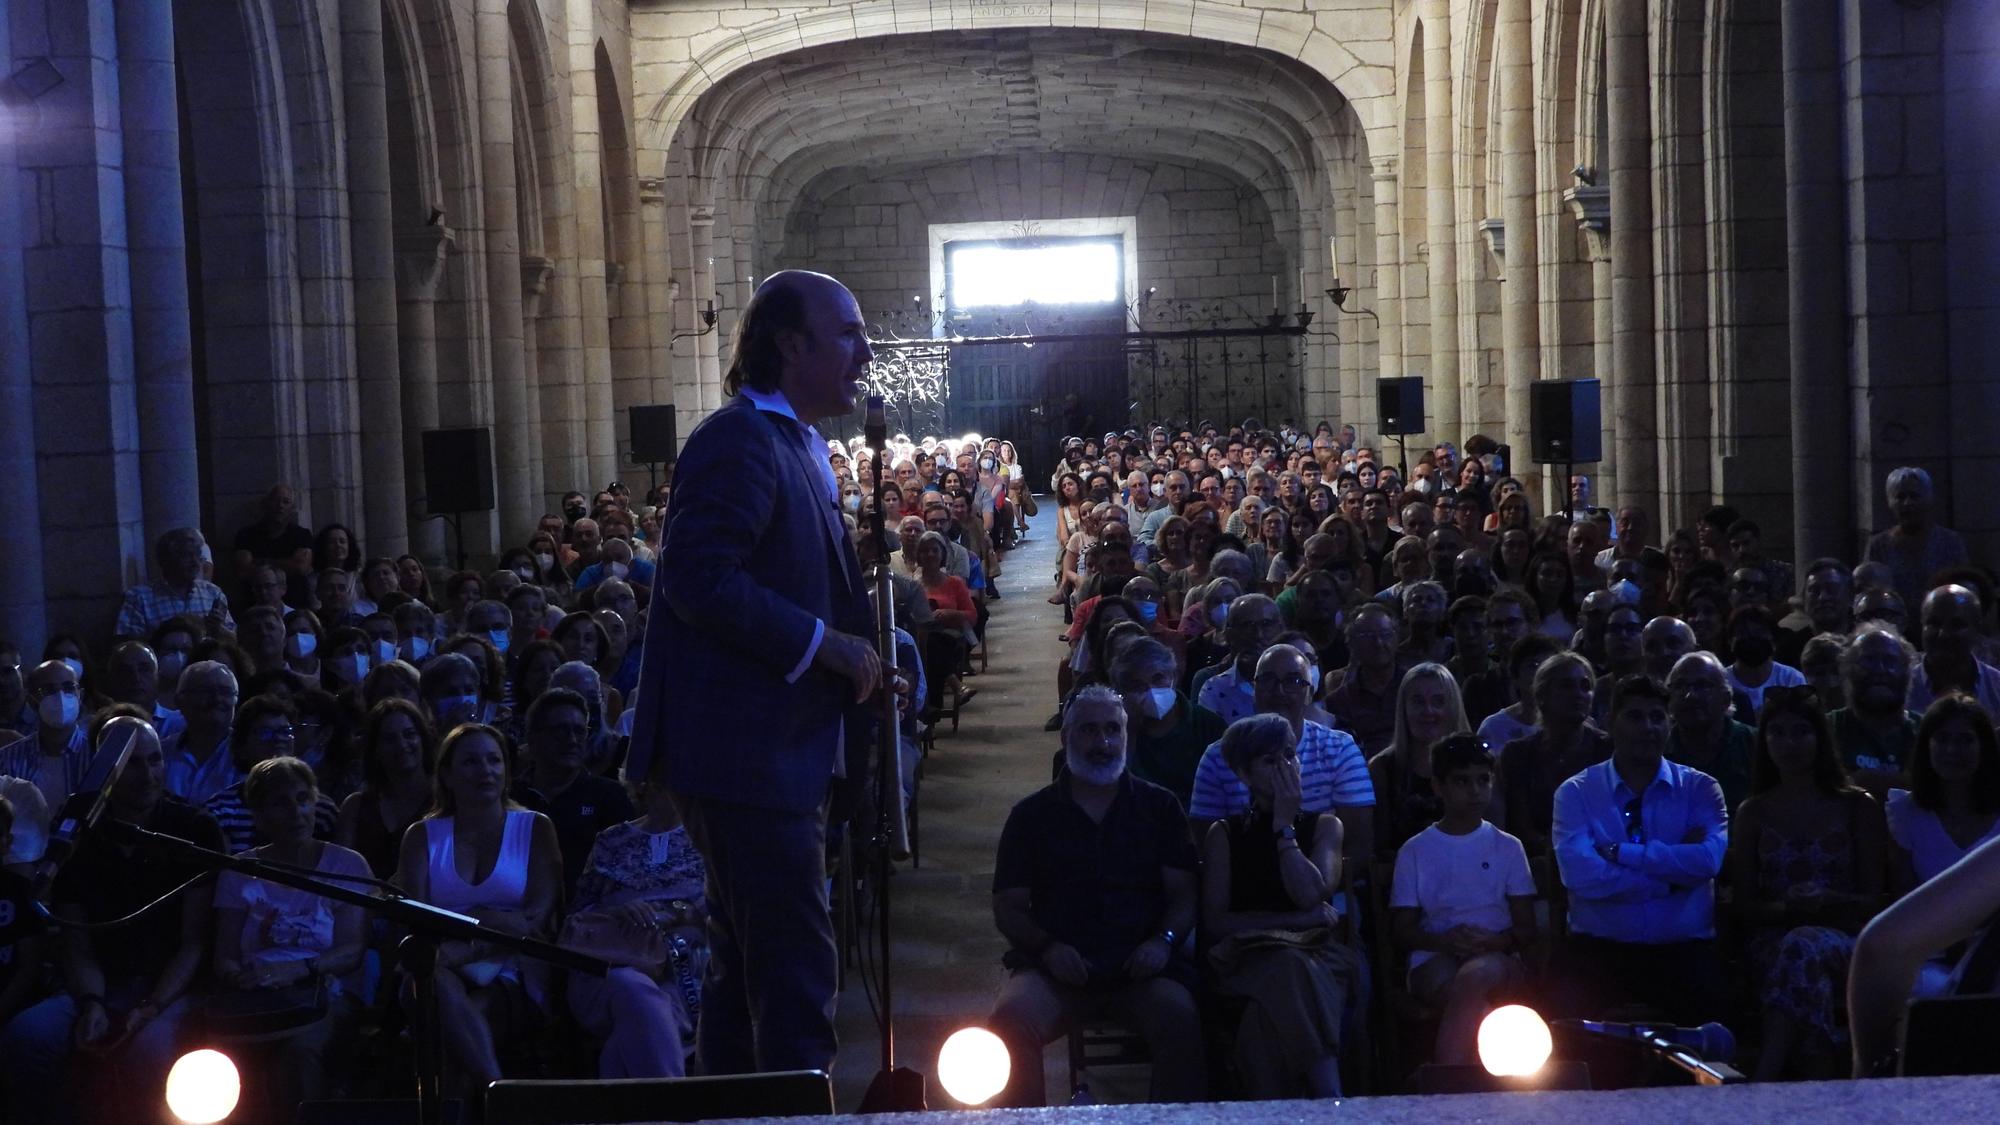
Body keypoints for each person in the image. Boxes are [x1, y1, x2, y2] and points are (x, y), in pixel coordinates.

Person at [625, 271, 879, 1077]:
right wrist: (825, 646)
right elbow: (700, 577)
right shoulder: (737, 439)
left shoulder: (797, 442)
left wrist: (857, 664)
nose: (865, 352)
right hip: (748, 759)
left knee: (742, 981)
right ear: (790, 343)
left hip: (777, 750)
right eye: (847, 333)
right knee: (798, 981)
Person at [985, 687, 1205, 1107]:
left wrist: (1164, 942)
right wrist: (1047, 947)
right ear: (1065, 737)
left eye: (1112, 730)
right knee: (1010, 1021)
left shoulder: (1160, 808)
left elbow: (1184, 894)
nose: (1102, 743)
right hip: (1055, 971)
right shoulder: (1031, 816)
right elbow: (1008, 906)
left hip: (1141, 970)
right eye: (1088, 730)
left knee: (1181, 1019)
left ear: (1128, 738)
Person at [0, 717, 225, 1123]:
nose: (148, 774)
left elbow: (195, 942)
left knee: (149, 1052)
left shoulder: (193, 828)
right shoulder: (78, 834)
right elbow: (77, 943)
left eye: (155, 760)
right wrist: (91, 1004)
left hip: (171, 988)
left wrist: (152, 1006)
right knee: (27, 1036)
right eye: (133, 764)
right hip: (99, 984)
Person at [1728, 687, 1888, 1079]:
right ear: (1764, 741)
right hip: (1774, 942)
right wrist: (1786, 909)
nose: (1789, 743)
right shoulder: (1753, 813)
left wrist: (1830, 900)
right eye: (1777, 733)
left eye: (1801, 731)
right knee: (1797, 950)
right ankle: (1822, 1075)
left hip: (1846, 939)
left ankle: (1767, 1073)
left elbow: (1879, 898)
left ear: (1820, 738)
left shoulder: (1856, 805)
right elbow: (1744, 905)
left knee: (1803, 946)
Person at [1551, 675, 1730, 1025]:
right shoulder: (1575, 793)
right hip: (1599, 950)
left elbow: (1707, 861)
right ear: (1608, 722)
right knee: (1562, 1025)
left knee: (1715, 1026)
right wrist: (1671, 877)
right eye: (1634, 716)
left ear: (1669, 723)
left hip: (1683, 951)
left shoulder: (1701, 789)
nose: (1647, 727)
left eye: (1657, 716)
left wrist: (1622, 853)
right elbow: (1581, 875)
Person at [394, 723, 562, 1092]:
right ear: (448, 776)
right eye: (471, 762)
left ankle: (486, 1101)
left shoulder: (535, 828)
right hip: (438, 965)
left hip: (513, 967)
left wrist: (472, 937)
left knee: (454, 1025)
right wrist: (492, 922)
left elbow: (535, 921)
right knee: (434, 989)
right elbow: (415, 921)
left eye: (494, 761)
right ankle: (503, 1097)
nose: (485, 771)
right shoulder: (421, 836)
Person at [1199, 713, 1358, 1098]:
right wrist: (1296, 920)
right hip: (1248, 957)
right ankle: (1330, 1099)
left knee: (1264, 1016)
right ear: (1244, 774)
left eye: (1290, 755)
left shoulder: (1324, 827)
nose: (1286, 768)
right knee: (1288, 967)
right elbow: (1217, 922)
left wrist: (1284, 829)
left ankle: (1270, 1110)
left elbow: (1312, 892)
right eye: (1271, 761)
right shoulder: (1225, 835)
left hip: (1319, 954)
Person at [210, 756, 371, 1110]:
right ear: (260, 814)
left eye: (302, 799)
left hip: (325, 992)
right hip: (257, 995)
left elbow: (352, 950)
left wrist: (300, 970)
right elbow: (224, 954)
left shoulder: (348, 865)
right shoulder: (239, 871)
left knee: (300, 1053)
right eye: (281, 803)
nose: (296, 812)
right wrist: (240, 976)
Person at [1390, 733, 1538, 1067]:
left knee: (1472, 978)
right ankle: (1480, 1081)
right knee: (1471, 1001)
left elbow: (1526, 927)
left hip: (1497, 957)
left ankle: (1446, 1081)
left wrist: (1493, 941)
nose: (1474, 791)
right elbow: (1402, 929)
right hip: (1434, 957)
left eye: (1482, 780)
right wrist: (1444, 941)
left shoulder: (1508, 847)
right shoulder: (1415, 850)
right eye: (1462, 782)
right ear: (1438, 786)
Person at [565, 768, 708, 1079]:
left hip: (682, 968)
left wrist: (674, 911)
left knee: (639, 1023)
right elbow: (579, 913)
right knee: (633, 989)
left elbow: (720, 911)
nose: (665, 787)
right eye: (656, 778)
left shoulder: (706, 837)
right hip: (613, 962)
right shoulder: (611, 840)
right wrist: (620, 910)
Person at [1188, 645, 1376, 855]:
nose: (1279, 692)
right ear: (1254, 689)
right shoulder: (1218, 756)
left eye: (1293, 681)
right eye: (1267, 680)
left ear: (1309, 694)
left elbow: (1358, 844)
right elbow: (1206, 846)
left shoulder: (1340, 748)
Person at [516, 689, 633, 899]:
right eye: (560, 731)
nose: (571, 740)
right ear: (533, 739)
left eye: (579, 731)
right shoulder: (511, 797)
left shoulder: (609, 796)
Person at [1498, 651, 1611, 856]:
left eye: (1585, 686)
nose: (1578, 693)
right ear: (1542, 696)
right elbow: (1520, 826)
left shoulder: (1608, 750)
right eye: (1567, 686)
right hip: (1537, 863)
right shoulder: (1518, 755)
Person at [1887, 694, 2000, 893]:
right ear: (1926, 746)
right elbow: (1902, 899)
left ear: (1984, 747)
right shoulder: (1904, 814)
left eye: (1966, 740)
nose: (1952, 750)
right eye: (1942, 738)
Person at [1367, 662, 1472, 857]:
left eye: (1438, 701)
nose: (1428, 711)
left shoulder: (1476, 764)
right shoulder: (1382, 768)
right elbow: (1379, 848)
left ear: (1453, 707)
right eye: (1418, 702)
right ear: (1403, 708)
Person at [1110, 638, 1225, 808]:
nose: (1150, 691)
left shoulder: (1207, 725)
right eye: (1138, 685)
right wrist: (1130, 730)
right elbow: (1113, 790)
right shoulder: (1115, 730)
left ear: (1173, 676)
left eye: (1157, 679)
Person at [334, 699, 436, 879]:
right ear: (375, 749)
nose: (402, 744)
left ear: (422, 739)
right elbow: (340, 874)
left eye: (409, 734)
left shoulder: (443, 801)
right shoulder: (355, 807)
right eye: (390, 739)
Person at [1863, 466, 1970, 615]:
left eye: (1914, 496)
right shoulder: (1878, 546)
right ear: (1890, 502)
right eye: (1900, 497)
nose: (1908, 503)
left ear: (1929, 499)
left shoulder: (1950, 542)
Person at [1830, 626, 1921, 799]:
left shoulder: (1927, 731)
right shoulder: (1829, 728)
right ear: (1847, 670)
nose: (1879, 669)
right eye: (1868, 660)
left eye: (1890, 661)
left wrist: (1863, 780)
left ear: (1907, 670)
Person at [1666, 651, 1758, 815]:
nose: (1690, 695)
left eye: (1702, 686)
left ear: (1726, 699)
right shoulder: (1659, 749)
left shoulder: (1754, 743)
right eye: (1680, 686)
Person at [0, 660, 89, 816]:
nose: (60, 697)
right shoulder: (7, 759)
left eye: (68, 688)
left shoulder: (95, 755)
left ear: (80, 695)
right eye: (49, 690)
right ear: (32, 700)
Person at [116, 527, 234, 639]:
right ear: (166, 560)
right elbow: (128, 645)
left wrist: (219, 629)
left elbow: (233, 639)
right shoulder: (140, 598)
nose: (195, 563)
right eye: (187, 556)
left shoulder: (213, 593)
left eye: (198, 555)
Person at [1907, 584, 2000, 715]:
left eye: (1956, 625)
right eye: (1934, 623)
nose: (1943, 634)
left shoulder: (1996, 688)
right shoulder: (1902, 687)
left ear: (1977, 630)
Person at [1324, 605, 1404, 757]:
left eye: (1385, 634)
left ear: (1397, 638)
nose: (1379, 643)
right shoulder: (1339, 702)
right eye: (1368, 636)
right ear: (1352, 644)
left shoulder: (1414, 687)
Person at [1195, 593, 1281, 725]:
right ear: (1229, 634)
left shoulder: (1295, 681)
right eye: (1247, 625)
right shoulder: (1214, 689)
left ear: (1280, 629)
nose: (1258, 634)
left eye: (1266, 624)